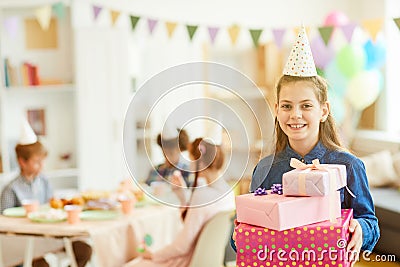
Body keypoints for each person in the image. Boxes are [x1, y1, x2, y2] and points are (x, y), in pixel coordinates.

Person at [231, 27, 379, 261]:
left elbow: (370, 222)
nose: (295, 115)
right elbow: (241, 235)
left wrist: (361, 229)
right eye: (287, 106)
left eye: (306, 106)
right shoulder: (265, 168)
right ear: (276, 110)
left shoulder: (348, 165)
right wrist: (240, 230)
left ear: (323, 110)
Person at [125, 127, 235, 267]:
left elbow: (181, 246)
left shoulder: (202, 195)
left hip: (188, 262)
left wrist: (153, 255)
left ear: (200, 162)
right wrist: (184, 197)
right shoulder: (228, 194)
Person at [0, 119, 92, 267]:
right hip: (24, 244)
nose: (42, 166)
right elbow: (4, 228)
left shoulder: (43, 181)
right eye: (37, 162)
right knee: (40, 264)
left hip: (50, 237)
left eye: (42, 161)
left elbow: (52, 206)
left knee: (84, 249)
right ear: (22, 162)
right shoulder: (11, 189)